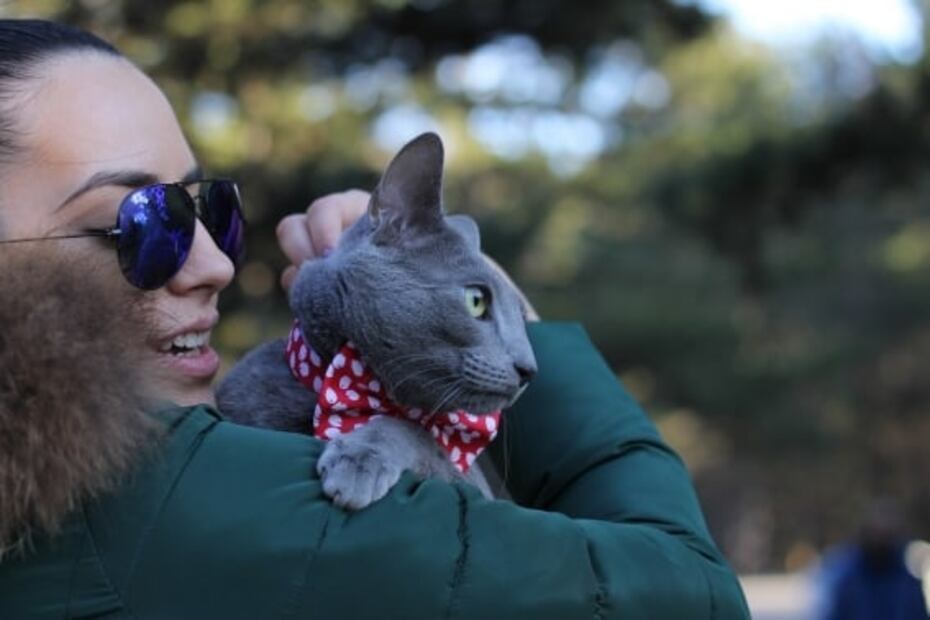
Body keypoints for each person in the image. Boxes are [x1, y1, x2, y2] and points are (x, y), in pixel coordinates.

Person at [0, 19, 749, 619]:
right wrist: (507, 304)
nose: (216, 263)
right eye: (139, 221)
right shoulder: (180, 504)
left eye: (208, 209)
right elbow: (691, 591)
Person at [815, 499, 929, 620]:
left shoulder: (908, 585)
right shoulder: (849, 581)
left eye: (886, 533)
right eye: (877, 532)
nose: (881, 538)